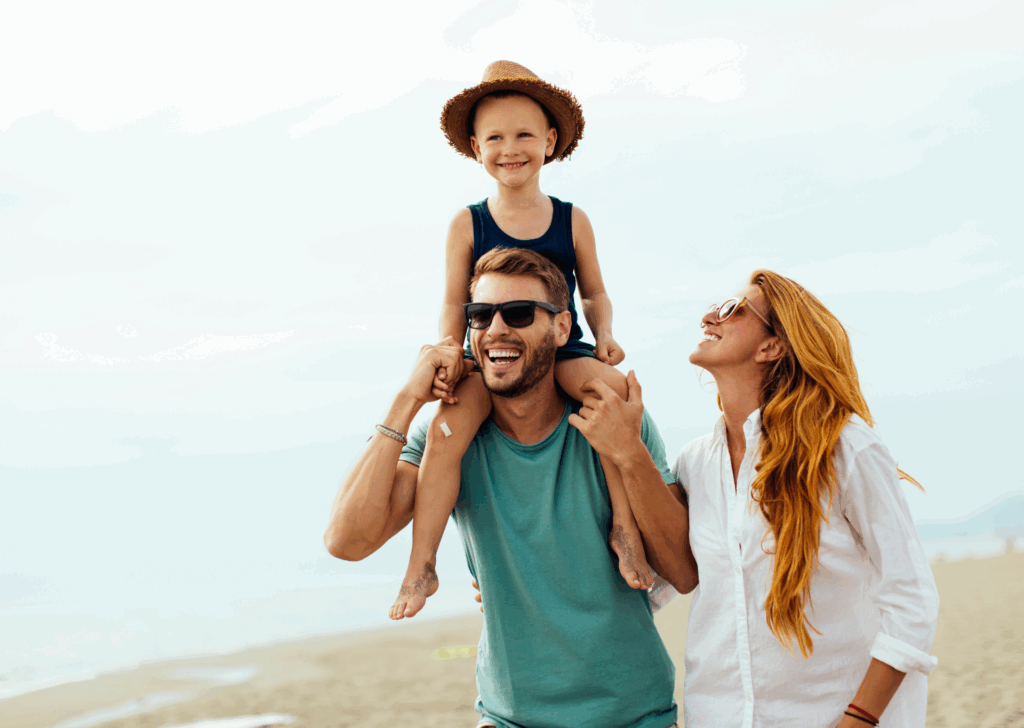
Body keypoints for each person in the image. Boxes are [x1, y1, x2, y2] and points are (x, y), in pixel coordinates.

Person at [507, 270, 936, 728]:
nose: (710, 315)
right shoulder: (696, 463)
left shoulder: (845, 449)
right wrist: (529, 579)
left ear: (771, 346)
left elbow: (912, 601)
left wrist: (857, 720)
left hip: (831, 714)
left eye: (732, 309)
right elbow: (661, 584)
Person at [324, 247, 693, 728]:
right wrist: (406, 399)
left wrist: (628, 451)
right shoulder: (448, 440)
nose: (496, 328)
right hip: (508, 719)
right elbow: (346, 541)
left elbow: (683, 571)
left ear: (562, 328)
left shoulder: (614, 420)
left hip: (636, 716)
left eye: (518, 313)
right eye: (480, 315)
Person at [389, 59, 653, 621]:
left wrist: (604, 335)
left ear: (550, 141)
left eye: (525, 135)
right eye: (496, 137)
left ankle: (625, 528)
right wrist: (447, 347)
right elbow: (454, 301)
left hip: (563, 350)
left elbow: (595, 293)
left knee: (609, 393)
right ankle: (422, 563)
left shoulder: (570, 217)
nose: (512, 148)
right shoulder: (468, 222)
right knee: (445, 428)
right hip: (492, 356)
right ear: (475, 146)